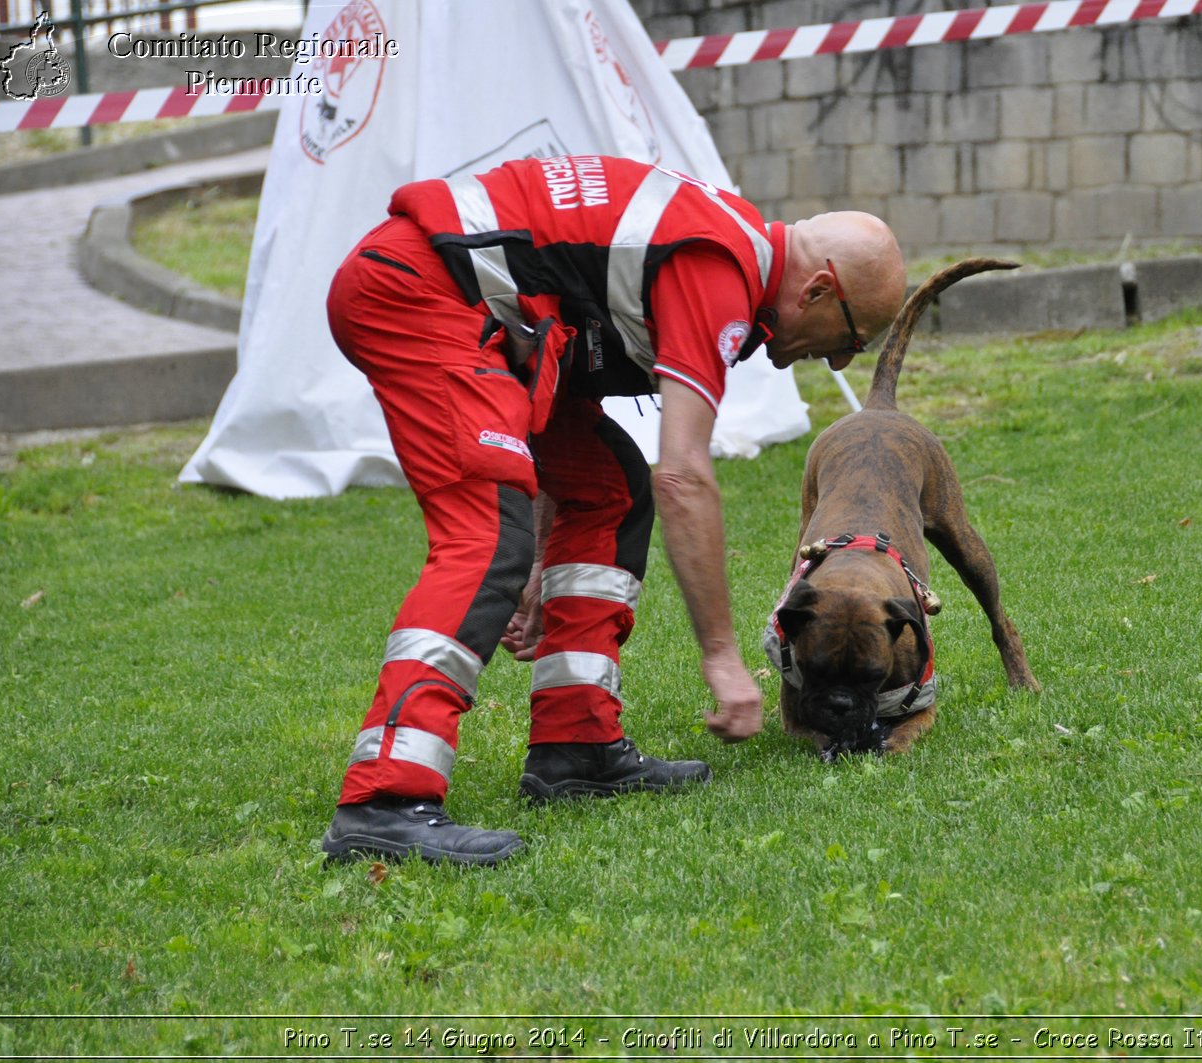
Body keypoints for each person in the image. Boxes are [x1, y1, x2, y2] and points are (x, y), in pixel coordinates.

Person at [318, 154, 906, 865]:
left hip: (476, 310)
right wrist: (722, 657)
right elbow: (685, 475)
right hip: (420, 294)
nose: (839, 363)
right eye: (852, 338)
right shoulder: (716, 266)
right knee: (485, 538)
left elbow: (563, 352)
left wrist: (548, 550)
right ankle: (384, 797)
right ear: (818, 289)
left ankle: (576, 746)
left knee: (607, 487)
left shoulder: (722, 239)